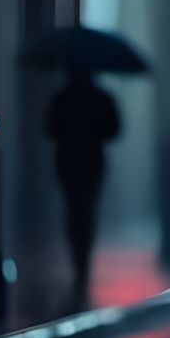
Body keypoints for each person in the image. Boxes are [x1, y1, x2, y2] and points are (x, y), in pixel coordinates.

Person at [44, 69, 121, 283]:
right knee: (86, 208)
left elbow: (49, 128)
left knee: (74, 208)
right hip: (90, 161)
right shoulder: (101, 97)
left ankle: (79, 258)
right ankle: (82, 259)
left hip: (69, 160)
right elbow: (114, 129)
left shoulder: (62, 97)